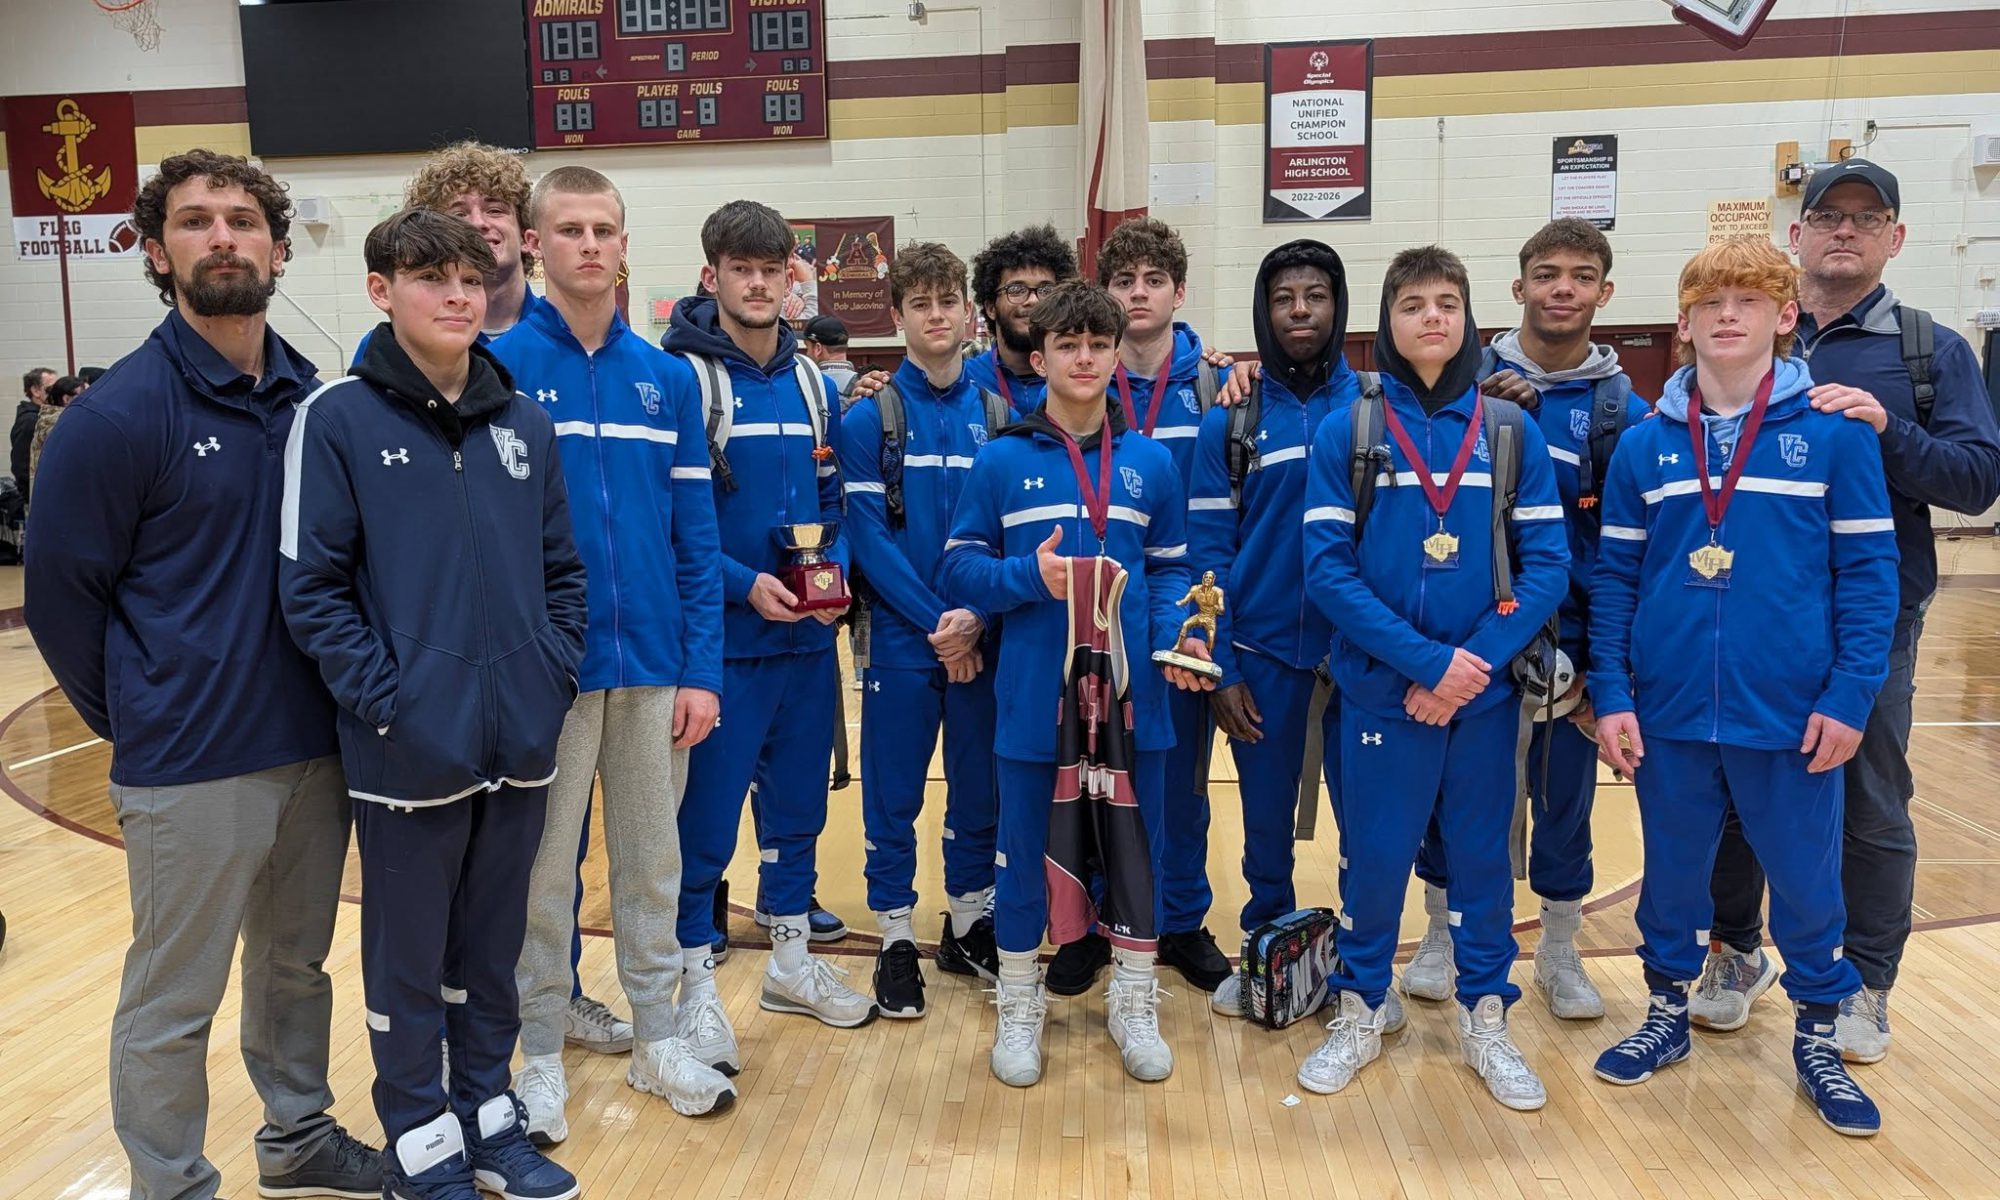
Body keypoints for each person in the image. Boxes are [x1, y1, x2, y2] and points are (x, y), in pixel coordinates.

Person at [25, 148, 380, 1200]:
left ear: (277, 244)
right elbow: (60, 599)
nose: (221, 237)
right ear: (155, 252)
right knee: (174, 994)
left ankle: (299, 1136)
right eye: (194, 222)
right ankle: (169, 1180)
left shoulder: (322, 402)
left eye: (241, 219)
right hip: (190, 761)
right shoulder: (115, 417)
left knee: (294, 970)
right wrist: (143, 708)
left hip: (316, 743)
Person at [280, 207, 590, 1200]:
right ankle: (420, 1137)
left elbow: (563, 575)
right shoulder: (335, 419)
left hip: (519, 740)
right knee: (408, 961)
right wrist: (391, 704)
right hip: (405, 749)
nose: (456, 296)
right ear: (382, 290)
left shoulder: (524, 423)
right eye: (430, 279)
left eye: (470, 278)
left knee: (491, 952)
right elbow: (311, 590)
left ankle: (488, 1117)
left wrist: (550, 680)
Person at [1589, 237, 1899, 1137]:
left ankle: (1815, 1033)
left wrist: (1849, 696)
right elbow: (1615, 582)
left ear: (1784, 316)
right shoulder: (1647, 447)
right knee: (1672, 874)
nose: (1729, 315)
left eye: (1750, 301)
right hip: (1672, 709)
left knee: (1806, 883)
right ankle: (1664, 1012)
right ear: (1683, 323)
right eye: (1711, 302)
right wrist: (1612, 691)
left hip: (1793, 710)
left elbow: (1871, 576)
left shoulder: (1836, 436)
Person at [1697, 161, 2000, 1057]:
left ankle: (1867, 980)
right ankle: (1736, 952)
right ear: (1798, 236)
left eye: (1867, 220)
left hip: (1875, 619)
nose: (1845, 231)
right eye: (1828, 214)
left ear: (1895, 239)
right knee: (1737, 793)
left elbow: (1979, 483)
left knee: (1870, 796)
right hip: (1751, 618)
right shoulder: (1752, 335)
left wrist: (1887, 428)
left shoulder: (1927, 349)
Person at [491, 167, 737, 1139]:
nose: (588, 245)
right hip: (544, 676)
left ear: (626, 245)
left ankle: (658, 1042)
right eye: (569, 230)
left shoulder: (666, 378)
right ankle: (539, 1051)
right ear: (533, 245)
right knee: (544, 878)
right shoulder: (499, 370)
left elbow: (693, 535)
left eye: (605, 230)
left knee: (651, 868)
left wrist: (701, 670)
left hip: (652, 672)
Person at [1299, 246, 1568, 1111]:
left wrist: (1469, 668)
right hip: (1385, 694)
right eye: (1414, 304)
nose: (1432, 319)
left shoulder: (1509, 430)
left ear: (1469, 318)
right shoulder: (1350, 429)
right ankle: (1361, 1008)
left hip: (1482, 700)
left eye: (1448, 303)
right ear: (1389, 320)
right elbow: (1328, 573)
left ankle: (1487, 1017)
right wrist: (1425, 664)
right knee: (1374, 862)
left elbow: (1549, 567)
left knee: (1485, 863)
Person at [943, 280, 1206, 1087]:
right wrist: (1032, 575)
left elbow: (1171, 573)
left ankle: (1132, 998)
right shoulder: (1000, 461)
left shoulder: (1152, 463)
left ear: (1114, 350)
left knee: (1137, 858)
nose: (1086, 357)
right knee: (1023, 859)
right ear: (1039, 356)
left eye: (1099, 343)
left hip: (1135, 704)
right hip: (1033, 703)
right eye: (1068, 345)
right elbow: (958, 567)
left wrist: (1169, 642)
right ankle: (1020, 1002)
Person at [1403, 219, 1647, 1020]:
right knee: (1450, 800)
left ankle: (1562, 951)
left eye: (1582, 276)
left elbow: (1626, 550)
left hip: (1565, 646)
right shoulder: (1456, 378)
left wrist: (1604, 673)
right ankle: (1441, 936)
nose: (1563, 289)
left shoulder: (1625, 411)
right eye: (1547, 274)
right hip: (1472, 640)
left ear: (1604, 294)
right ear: (1519, 289)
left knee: (1564, 806)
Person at [666, 198, 878, 1037]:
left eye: (771, 269)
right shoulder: (681, 379)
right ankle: (693, 988)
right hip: (719, 650)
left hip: (804, 645)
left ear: (792, 279)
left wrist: (839, 588)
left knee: (799, 814)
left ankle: (790, 963)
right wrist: (740, 582)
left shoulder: (811, 384)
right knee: (706, 828)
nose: (756, 284)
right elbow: (663, 523)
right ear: (711, 275)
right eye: (739, 269)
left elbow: (836, 505)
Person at [1185, 239, 1369, 1015]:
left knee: (1368, 822)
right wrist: (1221, 667)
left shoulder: (1375, 408)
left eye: (1315, 295)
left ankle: (1364, 968)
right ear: (1264, 310)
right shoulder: (1230, 420)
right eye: (1284, 296)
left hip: (1362, 659)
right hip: (1261, 656)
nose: (1300, 310)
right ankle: (1265, 954)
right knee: (1264, 830)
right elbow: (1206, 555)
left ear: (1338, 306)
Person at [837, 241, 1002, 1017]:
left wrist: (977, 620)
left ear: (970, 313)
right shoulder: (869, 416)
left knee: (980, 787)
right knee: (894, 793)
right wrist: (942, 624)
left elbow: (1012, 534)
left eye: (949, 302)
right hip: (907, 642)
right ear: (898, 316)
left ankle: (969, 919)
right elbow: (867, 540)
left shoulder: (1002, 415)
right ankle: (896, 934)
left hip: (982, 637)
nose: (937, 316)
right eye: (921, 304)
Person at [1094, 216, 1238, 994]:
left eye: (1154, 281)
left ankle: (1182, 920)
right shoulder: (1083, 376)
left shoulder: (1218, 386)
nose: (1139, 294)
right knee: (1093, 779)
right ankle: (1094, 921)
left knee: (1182, 788)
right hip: (1095, 619)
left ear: (1179, 293)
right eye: (1124, 281)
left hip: (1185, 626)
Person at [963, 225, 1078, 417]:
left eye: (1046, 290)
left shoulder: (1081, 375)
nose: (1033, 301)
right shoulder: (966, 380)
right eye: (1016, 290)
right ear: (991, 307)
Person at [29, 374, 86, 497]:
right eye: (83, 395)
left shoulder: (54, 420)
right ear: (66, 399)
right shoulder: (58, 424)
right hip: (51, 493)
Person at [13, 366, 53, 493]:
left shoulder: (42, 417)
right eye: (51, 389)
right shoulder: (30, 421)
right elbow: (21, 466)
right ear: (36, 391)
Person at [803, 314, 858, 399]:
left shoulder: (805, 386)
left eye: (807, 348)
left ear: (818, 349)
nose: (807, 353)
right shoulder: (865, 384)